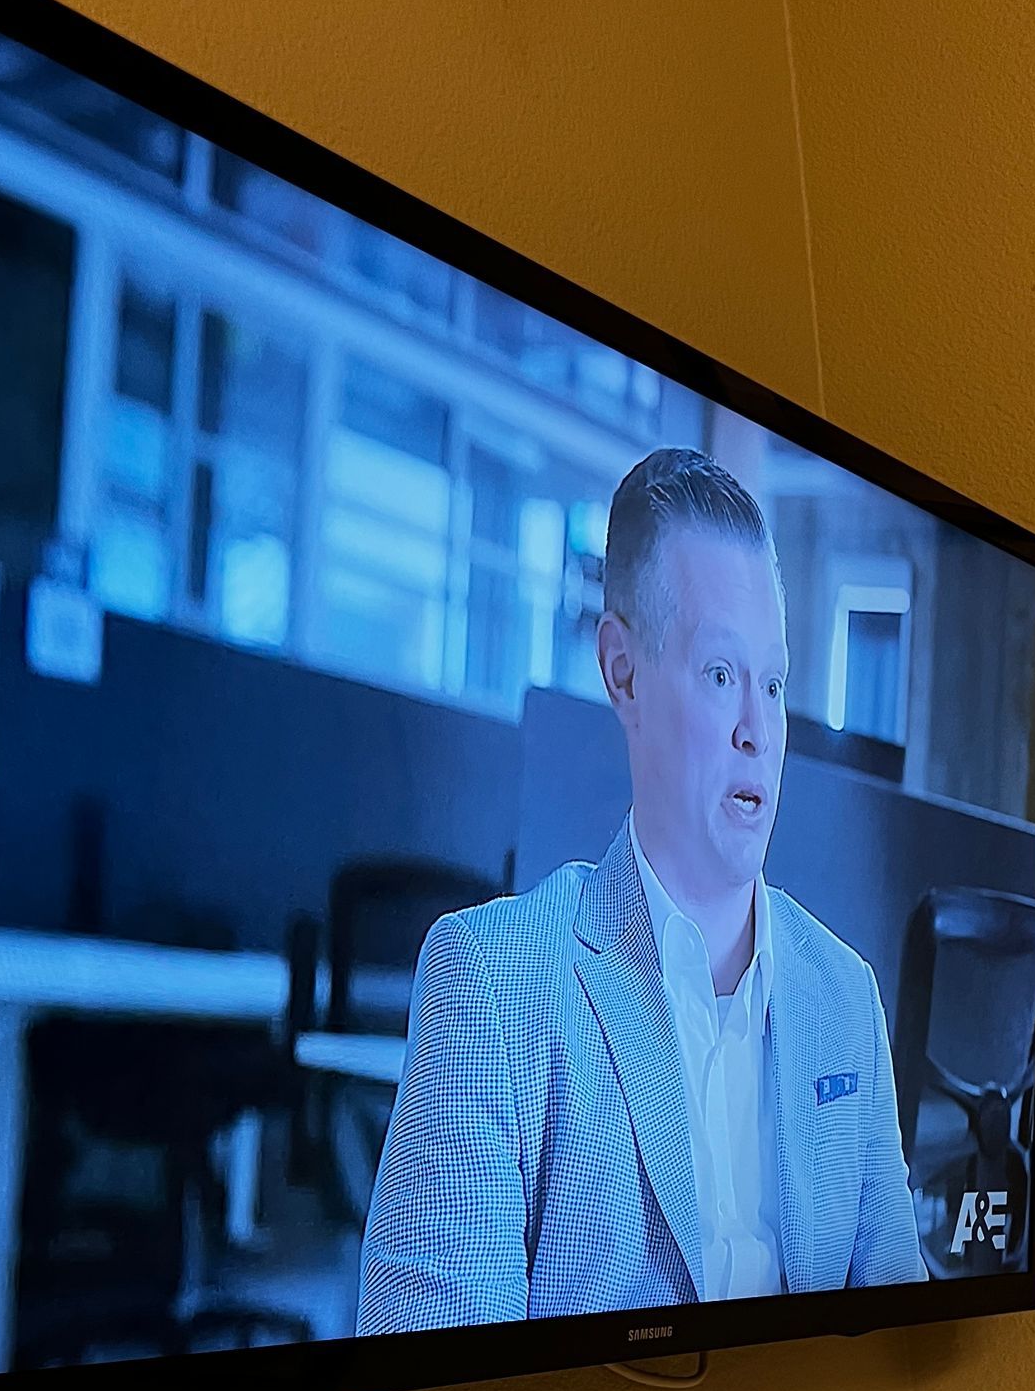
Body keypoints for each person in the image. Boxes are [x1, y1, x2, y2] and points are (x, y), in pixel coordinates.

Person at [357, 446, 925, 1333]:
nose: (757, 730)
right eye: (720, 675)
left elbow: (904, 1351)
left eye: (773, 683)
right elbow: (432, 1387)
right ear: (624, 673)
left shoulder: (843, 995)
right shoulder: (495, 983)